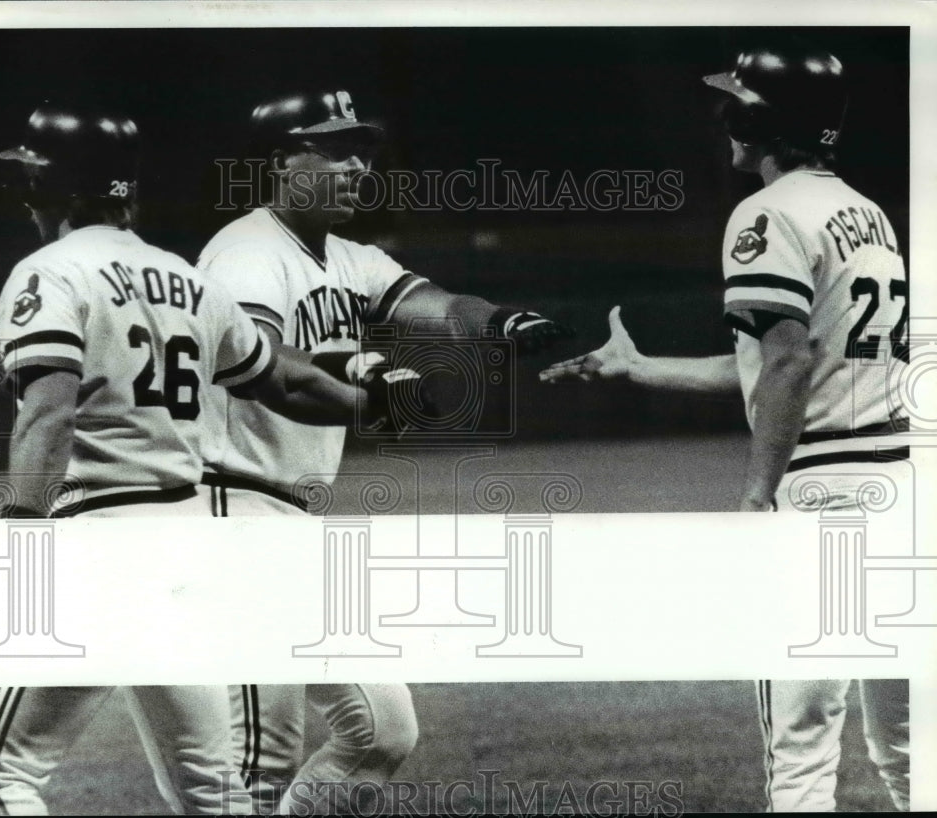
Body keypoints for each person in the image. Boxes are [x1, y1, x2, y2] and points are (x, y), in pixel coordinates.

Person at [0, 102, 396, 816]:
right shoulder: (185, 279)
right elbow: (280, 376)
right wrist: (364, 402)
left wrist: (21, 542)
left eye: (30, 177)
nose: (22, 191)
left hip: (98, 544)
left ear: (51, 189)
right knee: (215, 794)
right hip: (191, 558)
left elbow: (50, 409)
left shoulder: (49, 272)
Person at [540, 44, 910, 811]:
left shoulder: (767, 212)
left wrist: (756, 497)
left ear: (757, 120)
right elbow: (777, 366)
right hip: (902, 491)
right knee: (910, 747)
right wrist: (641, 368)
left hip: (824, 496)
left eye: (734, 106)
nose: (723, 120)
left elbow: (788, 363)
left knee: (802, 746)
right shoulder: (865, 213)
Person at [197, 89, 573, 814]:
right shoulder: (247, 252)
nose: (357, 165)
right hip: (230, 507)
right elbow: (266, 367)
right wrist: (360, 380)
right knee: (258, 758)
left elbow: (431, 304)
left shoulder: (346, 257)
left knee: (379, 730)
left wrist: (502, 320)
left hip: (285, 516)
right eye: (335, 149)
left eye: (362, 150)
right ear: (282, 161)